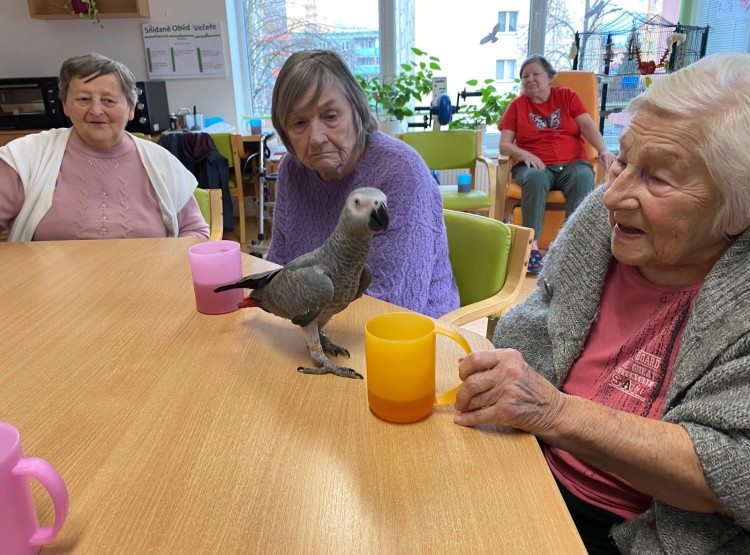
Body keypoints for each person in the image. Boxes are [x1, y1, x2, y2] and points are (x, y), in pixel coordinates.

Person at [455, 52, 750, 554]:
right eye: (623, 159)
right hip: (524, 465)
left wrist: (554, 413)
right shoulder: (601, 219)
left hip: (638, 532)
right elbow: (529, 325)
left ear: (736, 210)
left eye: (657, 178)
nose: (612, 197)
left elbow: (733, 470)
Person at [267, 49, 459, 318]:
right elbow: (280, 263)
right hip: (315, 325)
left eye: (331, 116)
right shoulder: (293, 169)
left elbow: (396, 303)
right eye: (299, 123)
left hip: (413, 331)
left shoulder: (401, 171)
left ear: (356, 111)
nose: (316, 138)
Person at [0, 53, 208, 241]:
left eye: (108, 100)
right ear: (65, 105)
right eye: (83, 99)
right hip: (50, 282)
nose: (96, 110)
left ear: (130, 108)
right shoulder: (26, 157)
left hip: (144, 279)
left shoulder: (161, 161)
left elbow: (195, 231)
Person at [498, 54, 616, 272]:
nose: (530, 79)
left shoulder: (566, 96)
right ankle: (531, 247)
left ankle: (572, 247)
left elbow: (588, 126)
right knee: (535, 177)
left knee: (583, 176)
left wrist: (603, 150)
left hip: (572, 164)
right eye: (525, 76)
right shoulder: (517, 106)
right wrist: (525, 155)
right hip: (532, 166)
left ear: (550, 77)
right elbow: (504, 145)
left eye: (536, 74)